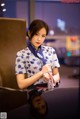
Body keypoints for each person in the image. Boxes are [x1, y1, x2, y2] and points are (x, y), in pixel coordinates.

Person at [15, 19, 60, 91]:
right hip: (33, 92)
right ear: (29, 33)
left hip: (51, 91)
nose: (39, 39)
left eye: (43, 36)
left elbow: (57, 75)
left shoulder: (51, 51)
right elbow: (21, 84)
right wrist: (41, 73)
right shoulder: (21, 54)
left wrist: (51, 79)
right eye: (36, 34)